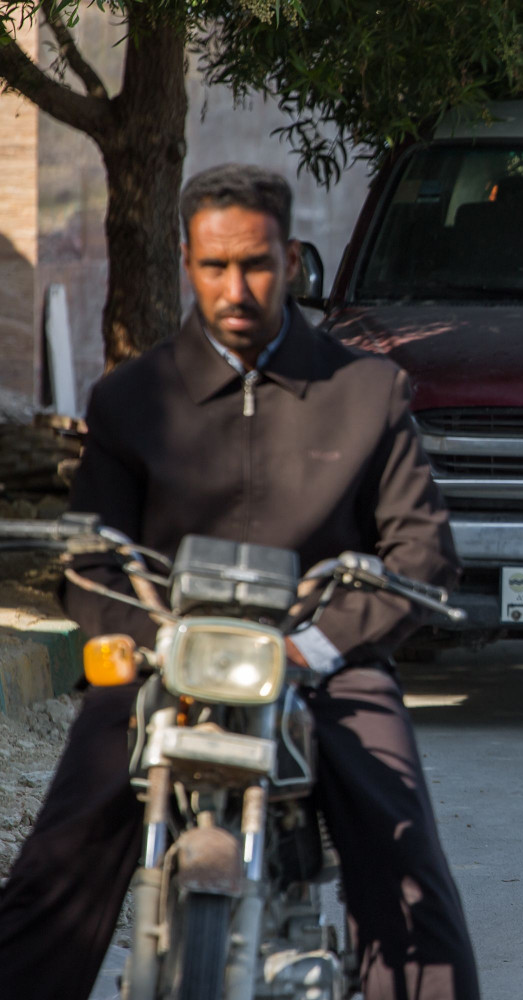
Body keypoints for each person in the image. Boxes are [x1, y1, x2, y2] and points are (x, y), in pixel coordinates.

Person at [0, 164, 482, 1000]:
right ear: (186, 260)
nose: (237, 285)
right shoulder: (129, 398)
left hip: (325, 659)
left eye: (256, 263)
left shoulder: (367, 393)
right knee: (60, 851)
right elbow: (96, 555)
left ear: (291, 260)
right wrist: (151, 641)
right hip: (170, 661)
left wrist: (319, 646)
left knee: (405, 860)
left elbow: (421, 553)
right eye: (215, 265)